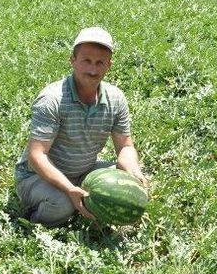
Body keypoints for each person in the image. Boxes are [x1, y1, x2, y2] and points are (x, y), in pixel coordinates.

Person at [15, 27, 146, 226]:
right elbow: (36, 157)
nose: (92, 70)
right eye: (86, 61)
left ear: (108, 66)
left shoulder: (116, 99)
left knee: (131, 183)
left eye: (99, 63)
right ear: (73, 61)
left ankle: (86, 207)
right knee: (63, 204)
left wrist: (133, 173)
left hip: (83, 171)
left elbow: (125, 147)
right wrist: (69, 189)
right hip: (36, 177)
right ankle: (34, 224)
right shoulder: (52, 99)